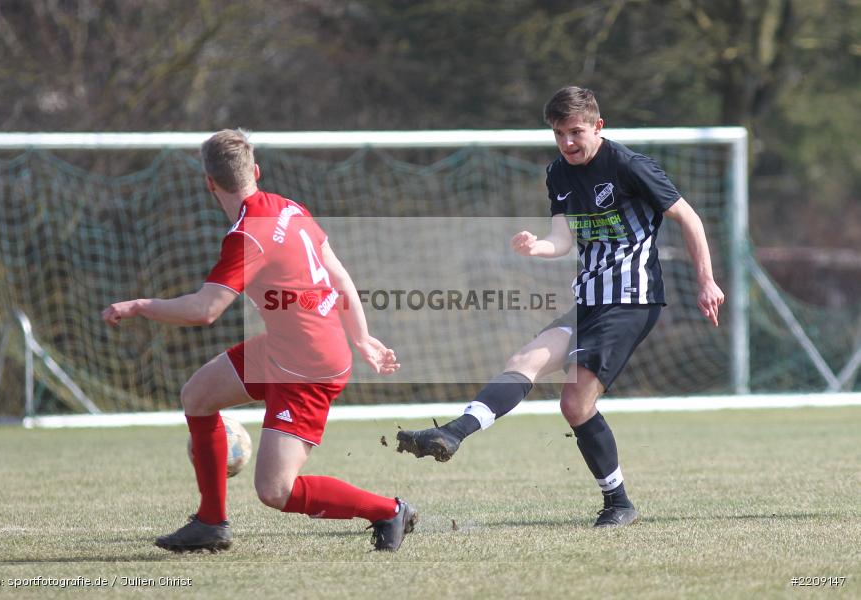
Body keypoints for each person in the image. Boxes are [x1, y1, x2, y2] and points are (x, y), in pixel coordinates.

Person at [397, 86, 725, 528]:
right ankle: (452, 433)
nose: (568, 143)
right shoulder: (558, 173)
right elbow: (564, 239)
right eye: (559, 134)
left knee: (575, 402)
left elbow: (689, 218)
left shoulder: (629, 166)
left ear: (597, 126)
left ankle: (618, 503)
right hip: (587, 300)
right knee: (522, 362)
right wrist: (537, 247)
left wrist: (706, 280)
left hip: (631, 301)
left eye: (575, 132)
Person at [102, 129, 417, 552]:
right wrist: (360, 336)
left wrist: (141, 305)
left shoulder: (248, 236)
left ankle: (388, 510)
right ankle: (210, 523)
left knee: (275, 491)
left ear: (209, 182)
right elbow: (338, 273)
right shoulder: (287, 207)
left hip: (310, 367)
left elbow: (205, 310)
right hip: (287, 348)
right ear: (255, 171)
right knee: (197, 395)